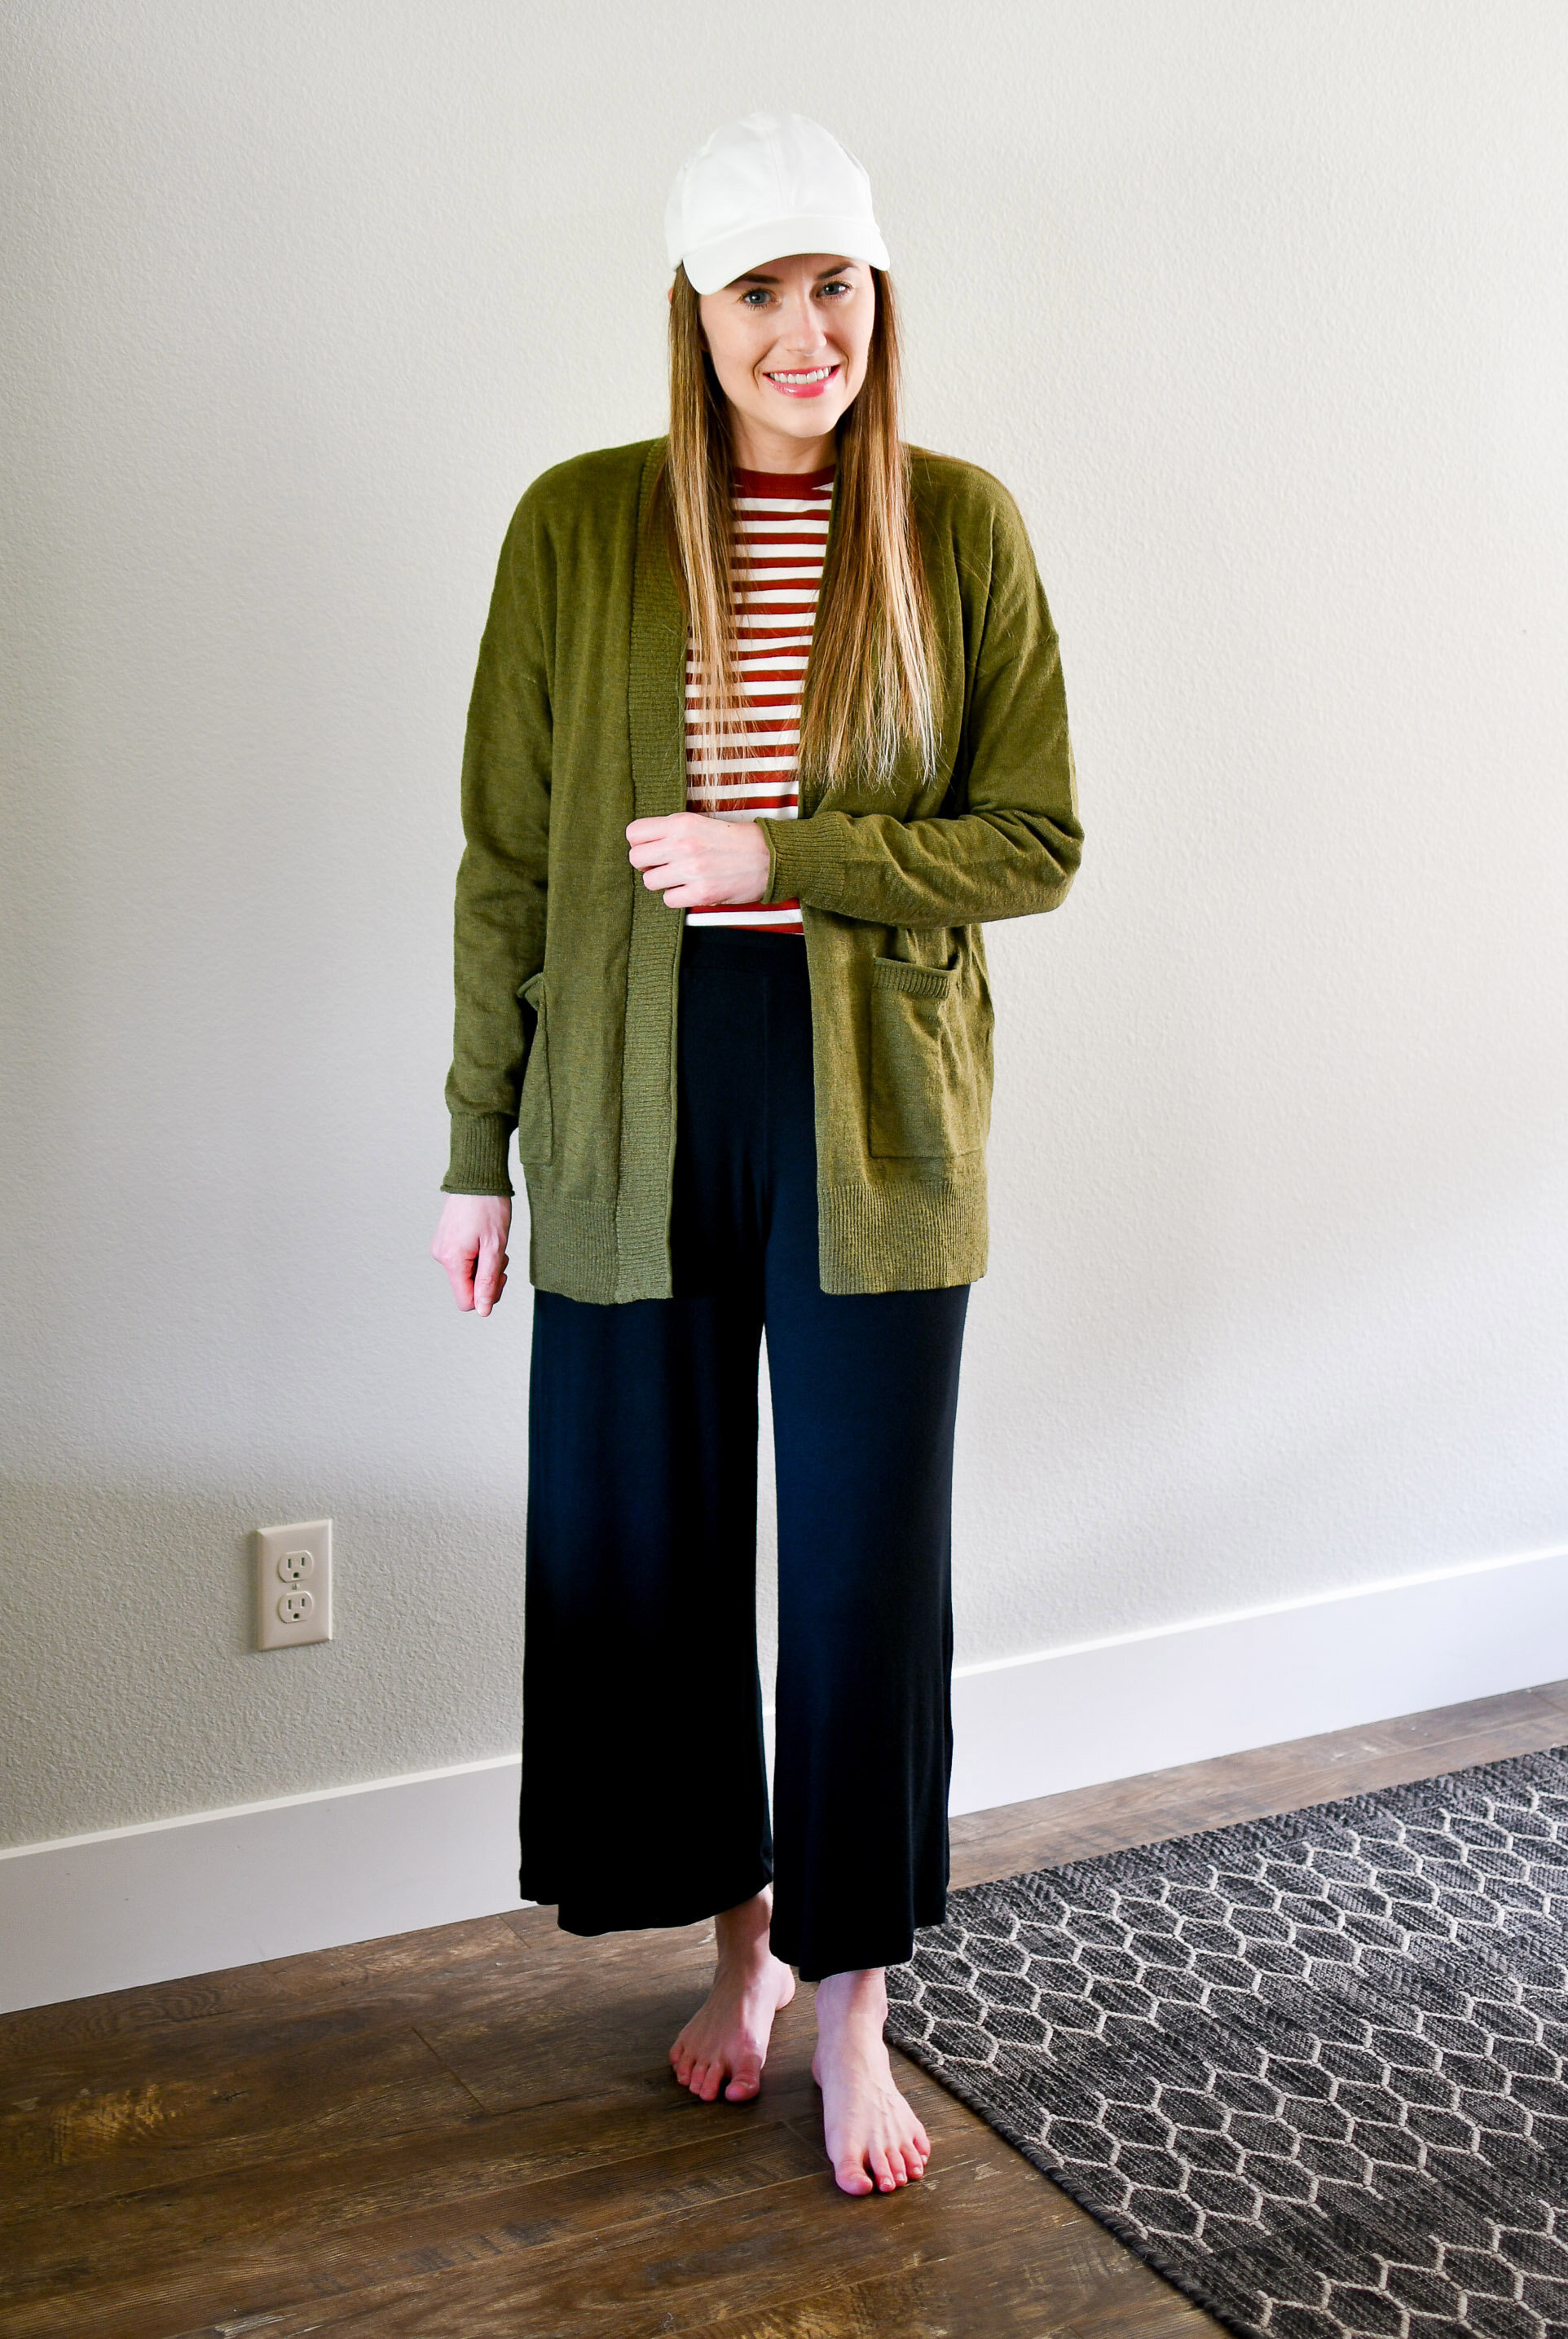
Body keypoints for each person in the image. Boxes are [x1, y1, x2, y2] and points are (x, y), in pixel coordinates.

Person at [431, 110, 1080, 2198]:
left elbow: (1034, 839)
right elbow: (508, 865)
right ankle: (738, 1965)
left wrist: (775, 855)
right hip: (631, 1098)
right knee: (667, 1533)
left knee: (867, 1563)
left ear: (878, 297)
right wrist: (473, 1147)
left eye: (835, 286)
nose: (805, 332)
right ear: (694, 319)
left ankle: (855, 2000)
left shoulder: (957, 528)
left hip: (872, 1107)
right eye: (760, 294)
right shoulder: (576, 527)